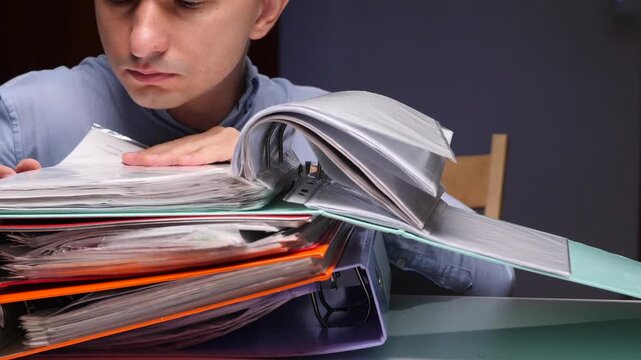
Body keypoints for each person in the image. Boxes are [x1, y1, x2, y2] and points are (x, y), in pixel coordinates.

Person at [0, 0, 514, 296]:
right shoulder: (24, 115)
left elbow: (496, 278)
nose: (141, 40)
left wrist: (304, 179)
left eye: (190, 1)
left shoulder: (320, 129)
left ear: (265, 9)